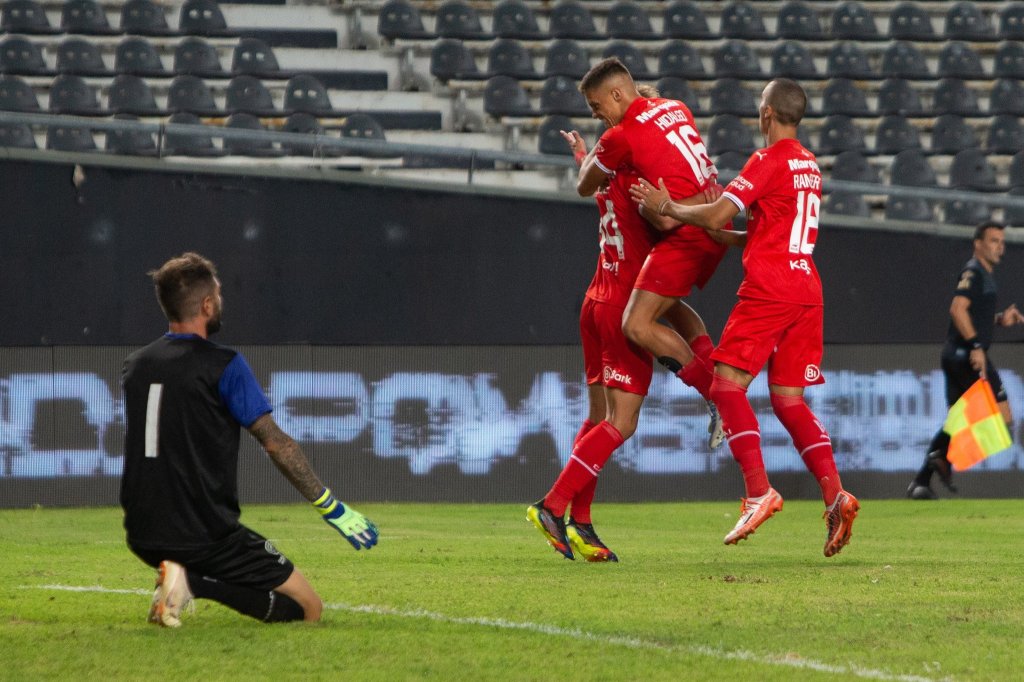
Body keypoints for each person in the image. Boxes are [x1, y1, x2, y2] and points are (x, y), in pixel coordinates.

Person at [630, 78, 860, 557]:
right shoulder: (809, 166)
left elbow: (715, 214)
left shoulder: (767, 160)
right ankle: (835, 494)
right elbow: (765, 227)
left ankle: (759, 491)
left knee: (726, 386)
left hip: (771, 288)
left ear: (768, 114)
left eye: (760, 109)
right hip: (807, 289)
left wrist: (665, 207)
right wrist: (731, 238)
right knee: (790, 402)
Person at [120, 252, 379, 628]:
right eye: (219, 296)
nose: (221, 302)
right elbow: (277, 444)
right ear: (207, 304)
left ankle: (182, 576)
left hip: (142, 533)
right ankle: (192, 581)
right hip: (206, 534)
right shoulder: (224, 364)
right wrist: (331, 507)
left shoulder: (135, 364)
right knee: (308, 610)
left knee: (222, 569)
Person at [526, 89, 722, 562]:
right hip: (620, 307)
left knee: (597, 421)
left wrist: (583, 157)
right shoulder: (643, 185)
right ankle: (551, 507)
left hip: (594, 301)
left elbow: (592, 177)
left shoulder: (610, 174)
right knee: (623, 423)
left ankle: (583, 524)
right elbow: (670, 225)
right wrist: (693, 209)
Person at [574, 58, 728, 429]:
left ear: (617, 95)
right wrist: (706, 202)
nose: (598, 117)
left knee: (637, 330)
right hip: (708, 222)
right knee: (671, 307)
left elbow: (588, 186)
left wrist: (586, 156)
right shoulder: (676, 108)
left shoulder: (619, 142)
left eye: (598, 107)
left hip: (656, 251)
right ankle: (718, 389)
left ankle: (718, 396)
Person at [907, 222, 1024, 499]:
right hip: (966, 355)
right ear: (978, 244)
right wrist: (975, 346)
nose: (1000, 247)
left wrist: (999, 320)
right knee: (1002, 414)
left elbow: (974, 317)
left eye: (1002, 242)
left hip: (957, 354)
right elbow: (957, 309)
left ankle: (922, 481)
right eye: (994, 241)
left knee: (956, 420)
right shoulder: (973, 271)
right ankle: (942, 456)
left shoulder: (984, 275)